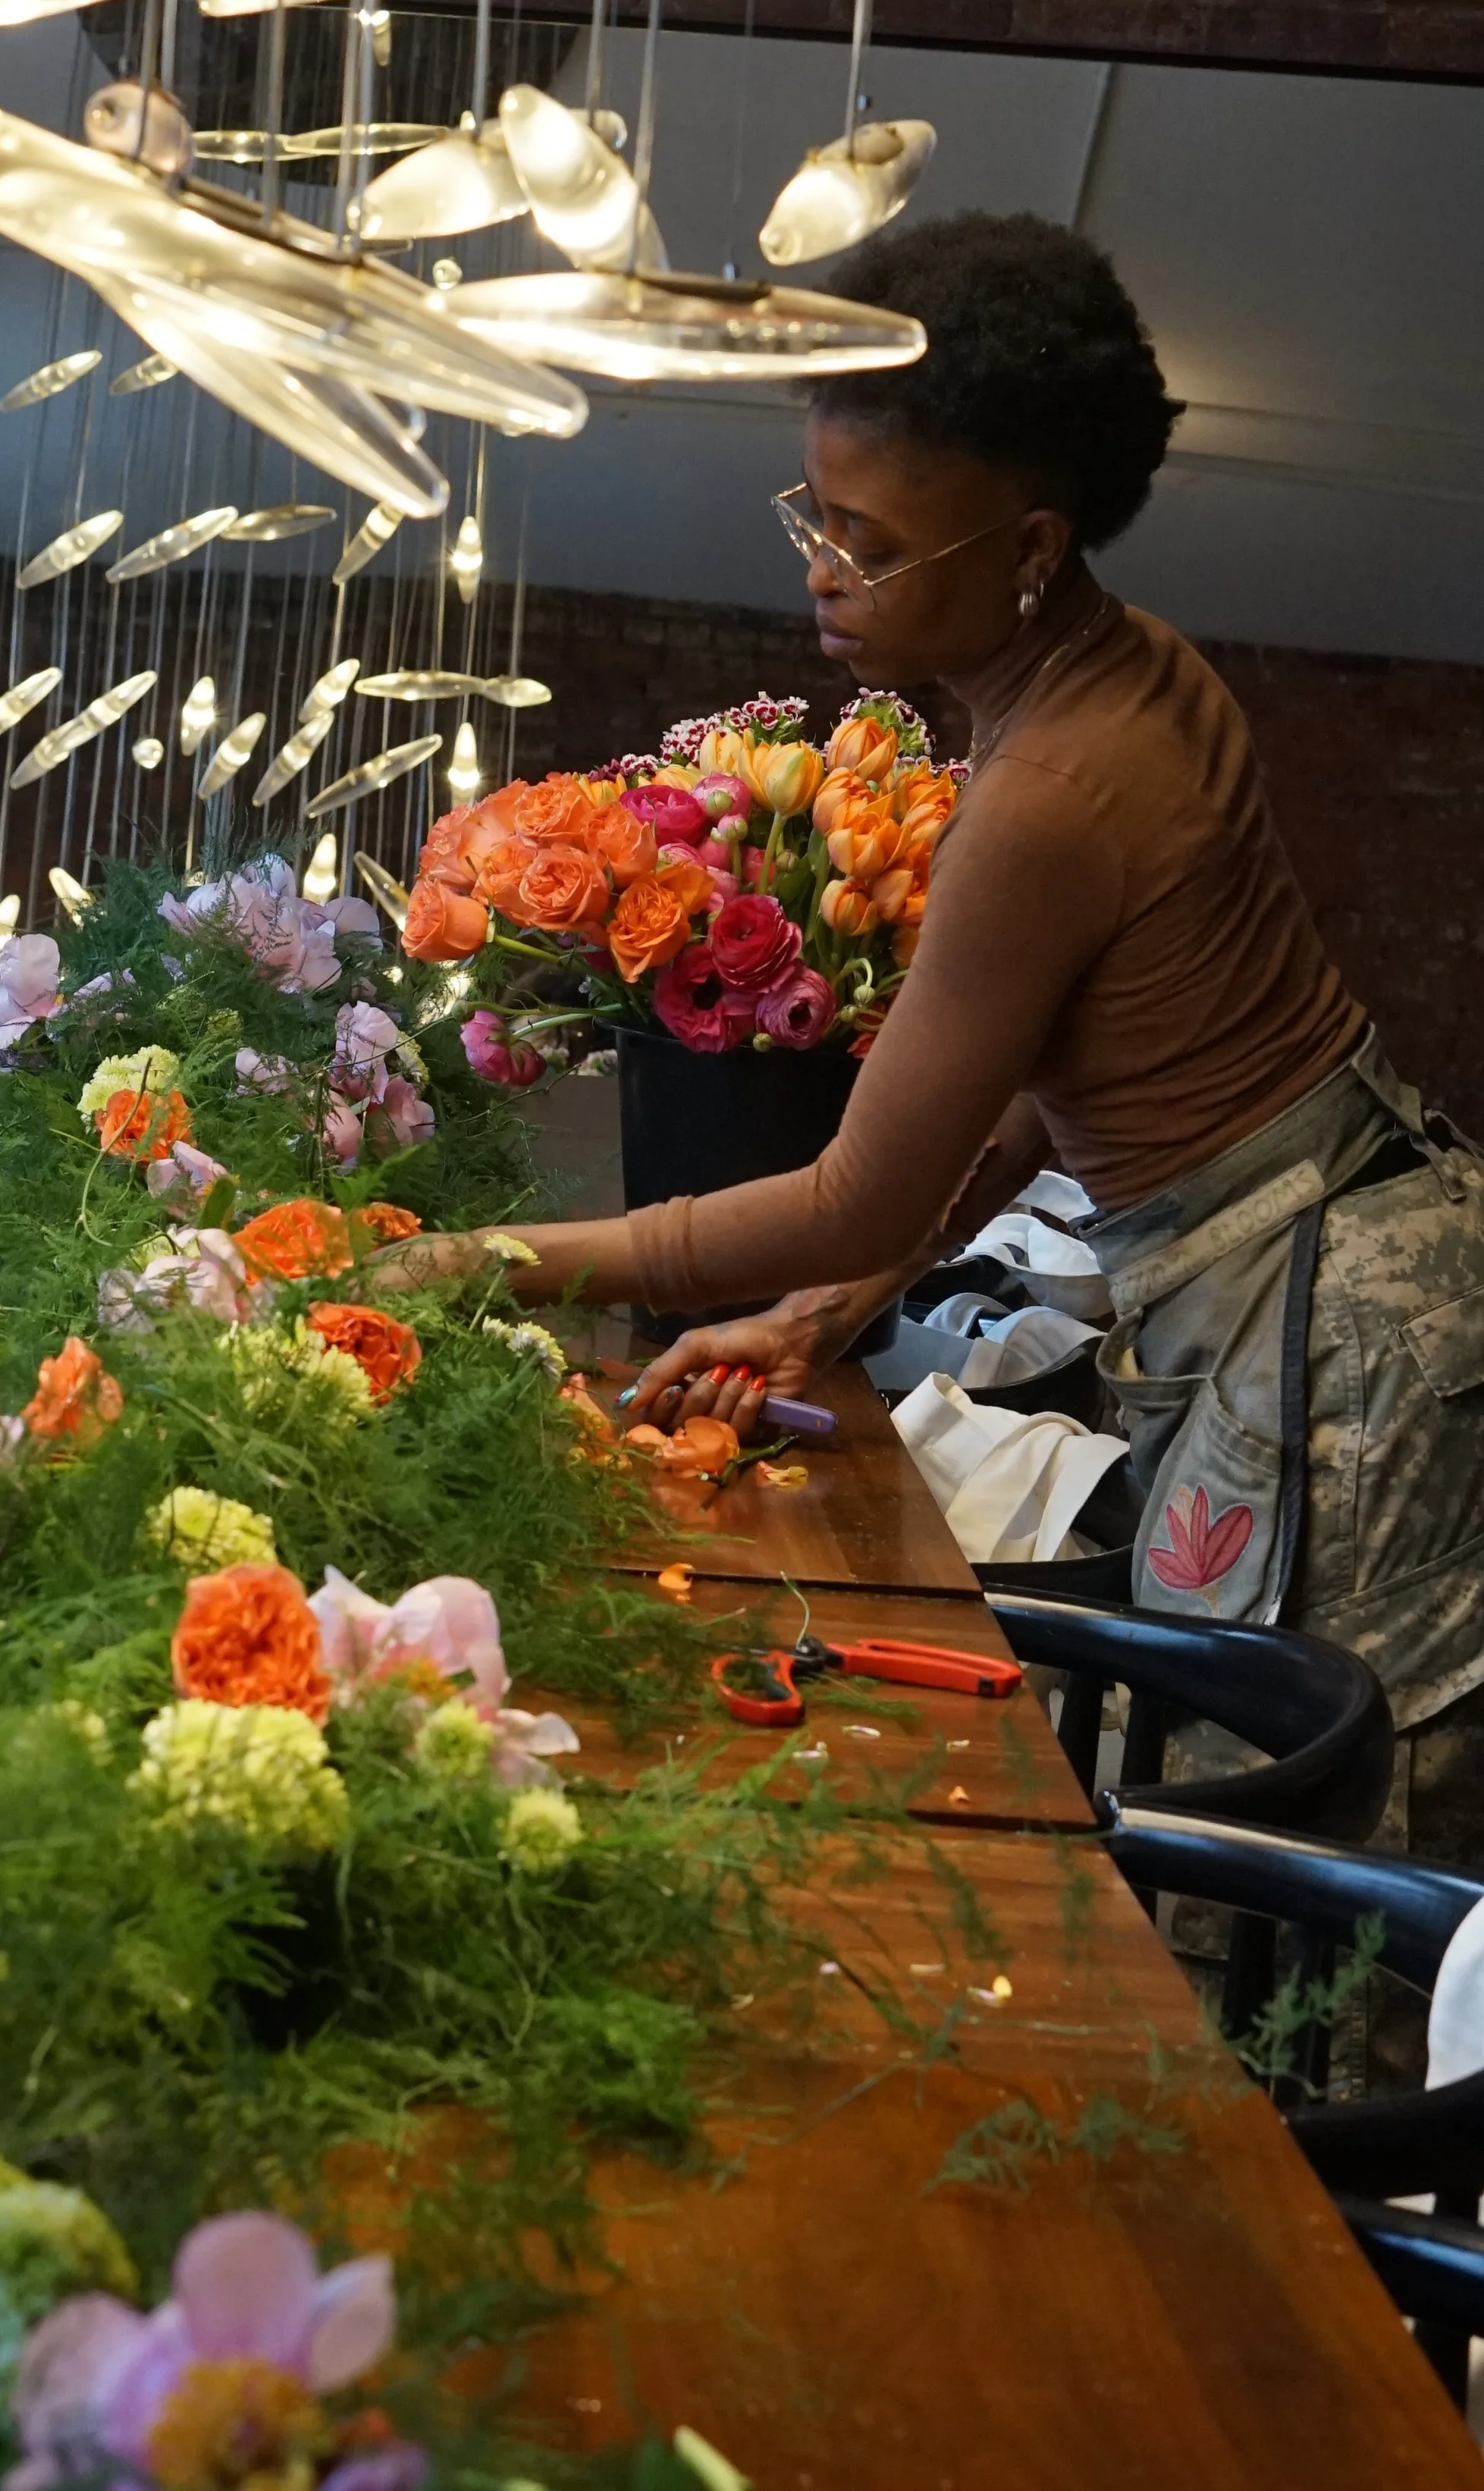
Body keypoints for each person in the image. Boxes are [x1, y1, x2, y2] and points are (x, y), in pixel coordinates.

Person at [423, 209, 1484, 1856]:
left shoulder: (1050, 792)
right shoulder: (1129, 681)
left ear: (1028, 549)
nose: (816, 569)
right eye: (812, 514)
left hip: (1336, 1343)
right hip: (1354, 1260)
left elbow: (854, 1183)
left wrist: (473, 1262)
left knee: (1284, 1886)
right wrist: (824, 1314)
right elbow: (1057, 1099)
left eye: (864, 540)